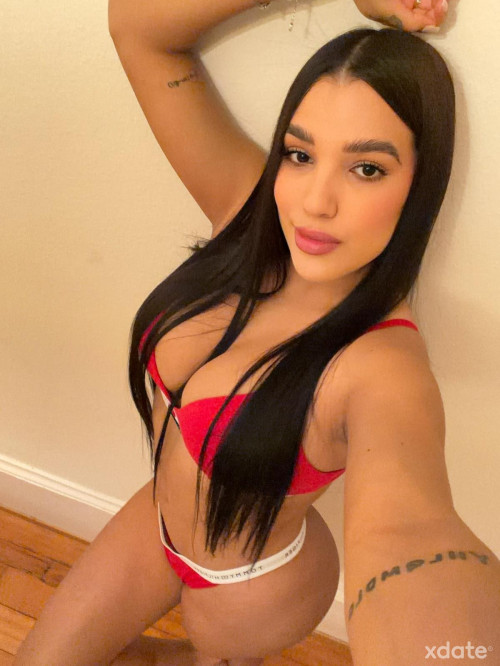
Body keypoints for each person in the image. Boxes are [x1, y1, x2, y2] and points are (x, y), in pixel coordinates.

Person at [14, 1, 500, 665]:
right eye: (299, 154)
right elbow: (138, 28)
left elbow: (411, 531)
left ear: (420, 183)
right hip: (156, 520)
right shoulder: (248, 210)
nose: (314, 202)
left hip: (251, 587)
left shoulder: (382, 365)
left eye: (367, 168)